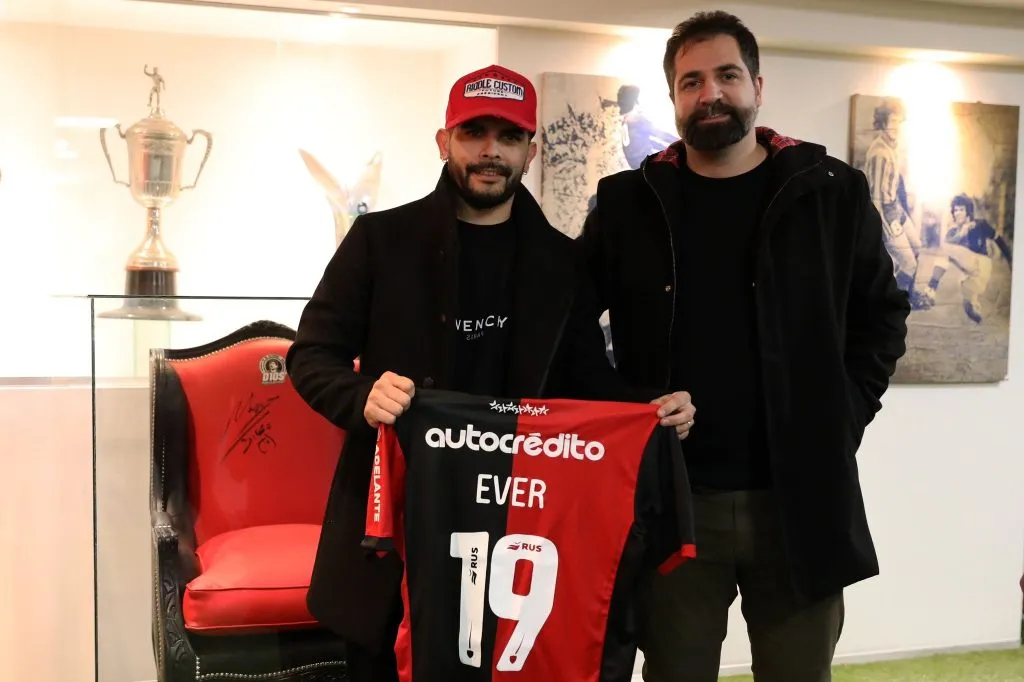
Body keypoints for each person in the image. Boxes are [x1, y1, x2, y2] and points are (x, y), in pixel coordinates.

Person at [286, 64, 696, 682]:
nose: (490, 152)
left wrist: (649, 411)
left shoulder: (561, 262)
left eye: (507, 138)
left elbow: (587, 385)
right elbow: (309, 355)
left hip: (518, 540)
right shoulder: (379, 241)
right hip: (392, 536)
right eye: (473, 132)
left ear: (530, 151)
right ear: (444, 141)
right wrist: (362, 395)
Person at [580, 12, 911, 682]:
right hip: (672, 501)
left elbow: (881, 317)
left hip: (801, 498)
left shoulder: (831, 193)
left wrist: (841, 413)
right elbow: (569, 326)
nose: (711, 94)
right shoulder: (628, 203)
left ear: (757, 85)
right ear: (673, 98)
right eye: (691, 81)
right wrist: (628, 408)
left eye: (727, 75)